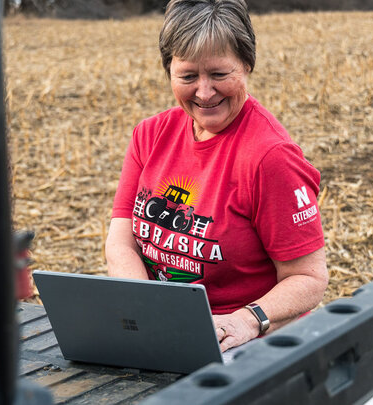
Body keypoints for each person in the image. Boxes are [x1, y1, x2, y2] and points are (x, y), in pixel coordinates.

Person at [105, 0, 328, 353]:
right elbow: (121, 243)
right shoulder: (149, 136)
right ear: (169, 71)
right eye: (188, 76)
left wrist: (246, 320)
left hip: (244, 343)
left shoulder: (270, 157)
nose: (204, 92)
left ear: (247, 65)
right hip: (164, 330)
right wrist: (149, 310)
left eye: (219, 74)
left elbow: (309, 278)